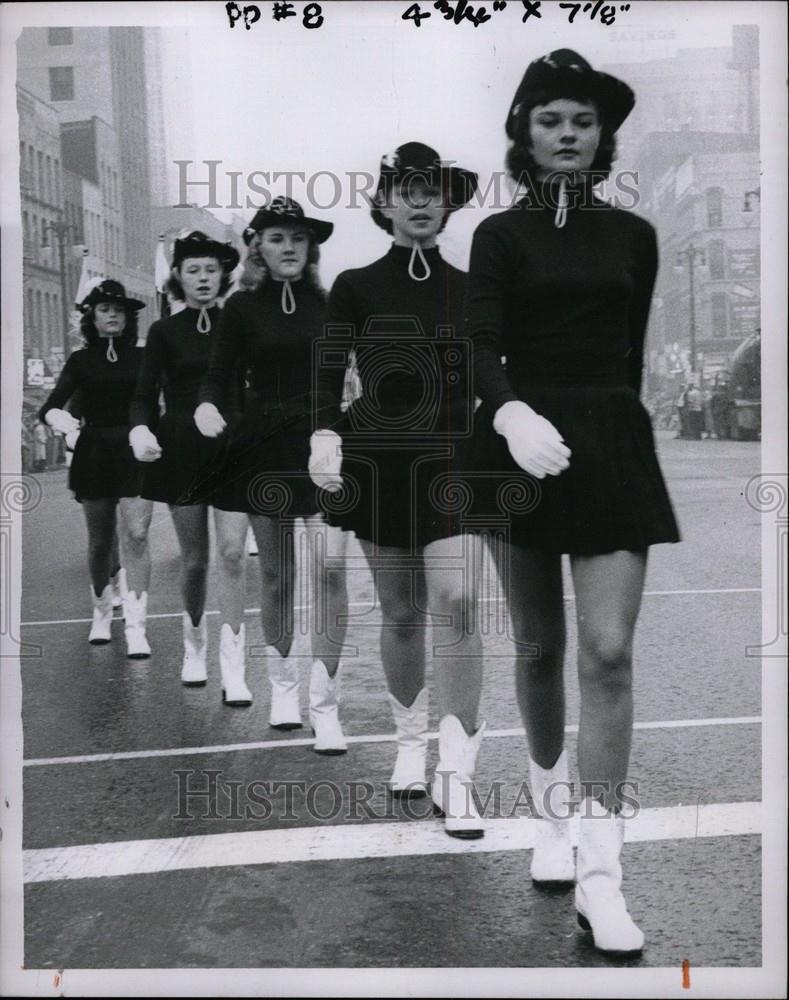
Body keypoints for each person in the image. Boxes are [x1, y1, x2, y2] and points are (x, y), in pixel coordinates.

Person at [466, 50, 680, 952]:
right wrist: (509, 411)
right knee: (539, 643)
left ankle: (601, 873)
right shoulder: (499, 235)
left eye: (582, 122)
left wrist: (609, 426)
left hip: (606, 440)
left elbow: (627, 351)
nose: (567, 135)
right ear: (523, 130)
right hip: (519, 438)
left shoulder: (633, 234)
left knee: (606, 652)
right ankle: (549, 821)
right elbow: (478, 343)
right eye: (550, 120)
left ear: (601, 136)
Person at [310, 143, 487, 836]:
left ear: (446, 205)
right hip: (379, 458)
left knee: (461, 602)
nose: (419, 201)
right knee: (403, 612)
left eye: (432, 191)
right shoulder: (355, 285)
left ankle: (458, 772)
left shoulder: (471, 287)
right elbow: (326, 370)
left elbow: (494, 369)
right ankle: (410, 746)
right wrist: (324, 434)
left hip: (451, 457)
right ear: (384, 203)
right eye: (406, 190)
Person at [195, 198, 349, 750]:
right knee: (279, 574)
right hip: (264, 447)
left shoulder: (331, 305)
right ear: (257, 245)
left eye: (299, 238)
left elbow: (349, 375)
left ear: (311, 248)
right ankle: (283, 687)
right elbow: (217, 375)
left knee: (331, 571)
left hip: (325, 441)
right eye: (277, 237)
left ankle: (326, 705)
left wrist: (336, 433)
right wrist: (207, 405)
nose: (289, 247)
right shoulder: (240, 309)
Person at [128, 231, 255, 701]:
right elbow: (143, 394)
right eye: (193, 270)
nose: (203, 278)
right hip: (181, 449)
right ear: (177, 278)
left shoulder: (238, 322)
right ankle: (194, 649)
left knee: (232, 554)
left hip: (232, 444)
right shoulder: (163, 332)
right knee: (196, 559)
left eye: (211, 269)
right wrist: (139, 429)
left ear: (224, 274)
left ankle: (234, 667)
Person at [39, 280, 154, 656]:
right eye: (105, 309)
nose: (113, 316)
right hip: (94, 451)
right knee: (100, 541)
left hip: (134, 445)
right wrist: (64, 422)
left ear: (129, 317)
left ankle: (136, 625)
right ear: (93, 316)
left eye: (119, 310)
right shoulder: (80, 360)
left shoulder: (143, 357)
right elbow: (51, 405)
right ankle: (102, 613)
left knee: (136, 534)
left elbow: (157, 400)